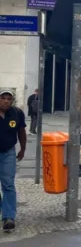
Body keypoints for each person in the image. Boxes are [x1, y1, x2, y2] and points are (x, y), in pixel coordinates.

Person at [0, 89, 27, 231]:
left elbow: (21, 132)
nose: (5, 101)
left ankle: (9, 217)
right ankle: (3, 209)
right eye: (3, 98)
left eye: (8, 99)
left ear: (12, 101)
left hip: (8, 153)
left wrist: (23, 149)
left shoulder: (17, 113)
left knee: (8, 184)